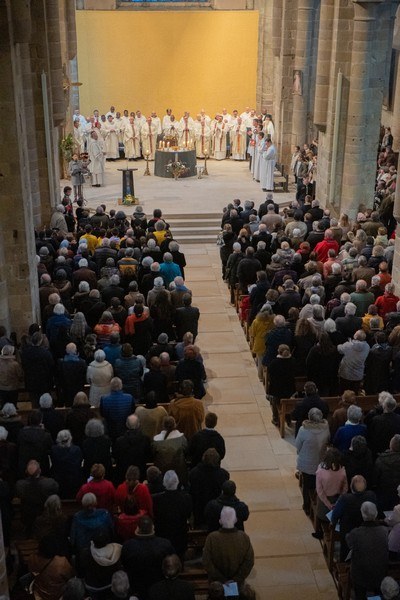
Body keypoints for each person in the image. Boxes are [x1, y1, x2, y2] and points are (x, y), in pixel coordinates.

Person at [121, 515, 174, 598]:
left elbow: (125, 565)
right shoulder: (165, 544)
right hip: (159, 585)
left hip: (137, 586)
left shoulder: (128, 546)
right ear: (153, 528)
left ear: (137, 529)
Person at [346, 501, 389, 599]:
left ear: (362, 514)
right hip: (380, 572)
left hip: (360, 575)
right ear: (376, 514)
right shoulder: (384, 531)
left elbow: (349, 543)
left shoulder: (356, 533)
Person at [202, 506, 254, 584]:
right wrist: (236, 579)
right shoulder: (243, 537)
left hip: (217, 584)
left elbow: (206, 562)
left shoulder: (212, 538)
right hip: (238, 584)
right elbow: (249, 562)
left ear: (220, 521)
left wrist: (221, 579)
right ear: (235, 520)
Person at [331, 475, 377, 562]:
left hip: (348, 531)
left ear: (351, 488)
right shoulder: (371, 495)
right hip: (366, 530)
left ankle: (344, 562)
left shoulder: (345, 498)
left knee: (345, 550)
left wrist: (333, 523)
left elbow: (335, 515)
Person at [295, 408, 330, 515]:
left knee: (306, 484)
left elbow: (297, 445)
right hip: (321, 462)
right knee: (317, 483)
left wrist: (301, 453)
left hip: (307, 463)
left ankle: (306, 505)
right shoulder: (326, 429)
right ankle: (316, 501)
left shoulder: (303, 430)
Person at [152, 470, 192, 557]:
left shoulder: (156, 499)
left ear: (164, 483)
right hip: (180, 537)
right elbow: (188, 515)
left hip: (162, 536)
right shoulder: (186, 498)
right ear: (177, 482)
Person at [15, 459, 59, 535]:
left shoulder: (20, 485)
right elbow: (56, 488)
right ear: (40, 471)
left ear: (26, 471)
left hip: (27, 517)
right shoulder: (49, 483)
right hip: (43, 515)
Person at [27, 534, 74, 600]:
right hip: (58, 594)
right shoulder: (61, 562)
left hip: (39, 592)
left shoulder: (32, 557)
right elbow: (70, 576)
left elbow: (32, 571)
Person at [79, 529, 122, 597]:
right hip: (113, 584)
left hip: (94, 587)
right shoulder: (118, 549)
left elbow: (81, 571)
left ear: (93, 541)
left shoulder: (85, 554)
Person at [113, 415, 152, 481]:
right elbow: (149, 456)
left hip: (123, 474)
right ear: (138, 425)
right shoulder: (146, 439)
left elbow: (115, 456)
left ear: (126, 425)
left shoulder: (119, 441)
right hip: (141, 474)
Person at [100, 377, 135, 442]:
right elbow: (132, 412)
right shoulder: (129, 397)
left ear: (110, 386)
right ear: (121, 386)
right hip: (125, 429)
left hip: (110, 429)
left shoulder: (104, 399)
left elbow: (102, 414)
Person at [50, 429, 83, 498]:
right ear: (70, 438)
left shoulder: (54, 450)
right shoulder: (76, 449)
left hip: (58, 479)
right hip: (73, 480)